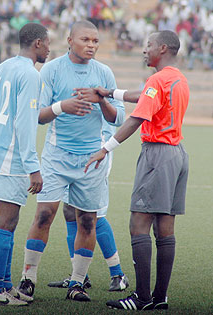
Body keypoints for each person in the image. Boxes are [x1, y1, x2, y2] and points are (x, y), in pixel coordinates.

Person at [16, 20, 125, 302]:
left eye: (95, 41)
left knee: (87, 220)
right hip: (57, 156)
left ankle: (77, 283)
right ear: (69, 40)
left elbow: (119, 118)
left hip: (92, 159)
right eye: (85, 40)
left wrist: (102, 100)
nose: (91, 45)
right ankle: (28, 278)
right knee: (44, 215)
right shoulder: (51, 70)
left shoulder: (104, 72)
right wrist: (62, 106)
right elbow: (38, 115)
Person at [84, 30, 189, 310]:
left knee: (138, 224)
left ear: (162, 48)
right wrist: (110, 93)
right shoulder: (177, 78)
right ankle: (160, 298)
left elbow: (138, 118)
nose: (145, 50)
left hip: (157, 156)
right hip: (178, 154)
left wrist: (105, 148)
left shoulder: (157, 79)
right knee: (165, 228)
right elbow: (143, 96)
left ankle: (142, 298)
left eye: (148, 45)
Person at [0, 22, 50, 306]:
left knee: (11, 219)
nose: (49, 48)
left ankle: (6, 285)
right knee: (5, 220)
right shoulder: (31, 74)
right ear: (38, 44)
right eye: (48, 42)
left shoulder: (3, 67)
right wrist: (34, 167)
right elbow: (24, 123)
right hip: (11, 155)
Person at [47, 119, 131, 292]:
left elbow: (116, 117)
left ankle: (118, 274)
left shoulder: (102, 92)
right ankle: (79, 276)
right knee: (69, 211)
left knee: (94, 216)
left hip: (96, 155)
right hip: (73, 157)